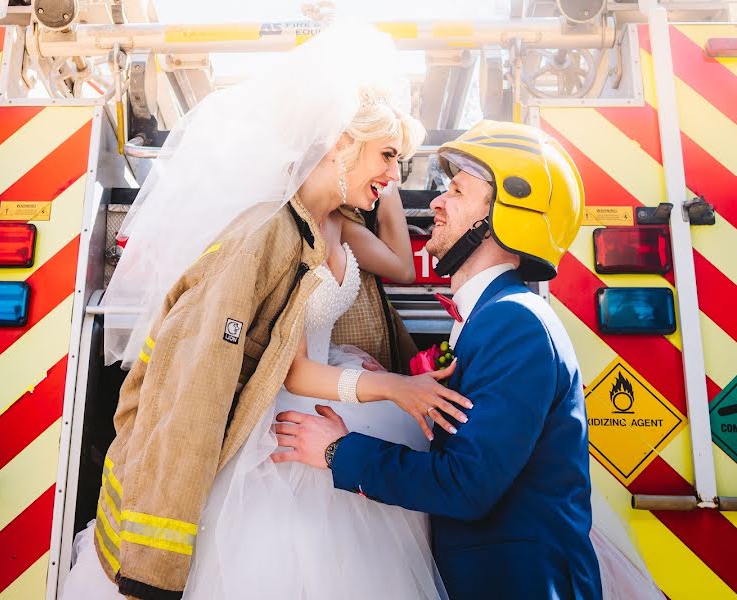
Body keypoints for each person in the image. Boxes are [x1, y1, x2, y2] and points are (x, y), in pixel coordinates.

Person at [62, 23, 465, 600]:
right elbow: (255, 370)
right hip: (274, 435)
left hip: (323, 406)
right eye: (387, 156)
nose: (394, 172)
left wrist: (382, 178)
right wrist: (396, 389)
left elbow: (395, 267)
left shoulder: (335, 223)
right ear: (338, 146)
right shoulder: (267, 234)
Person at [274, 121, 665, 600]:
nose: (435, 203)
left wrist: (338, 451)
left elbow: (467, 484)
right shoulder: (493, 318)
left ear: (502, 219)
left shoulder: (515, 324)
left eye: (456, 191)